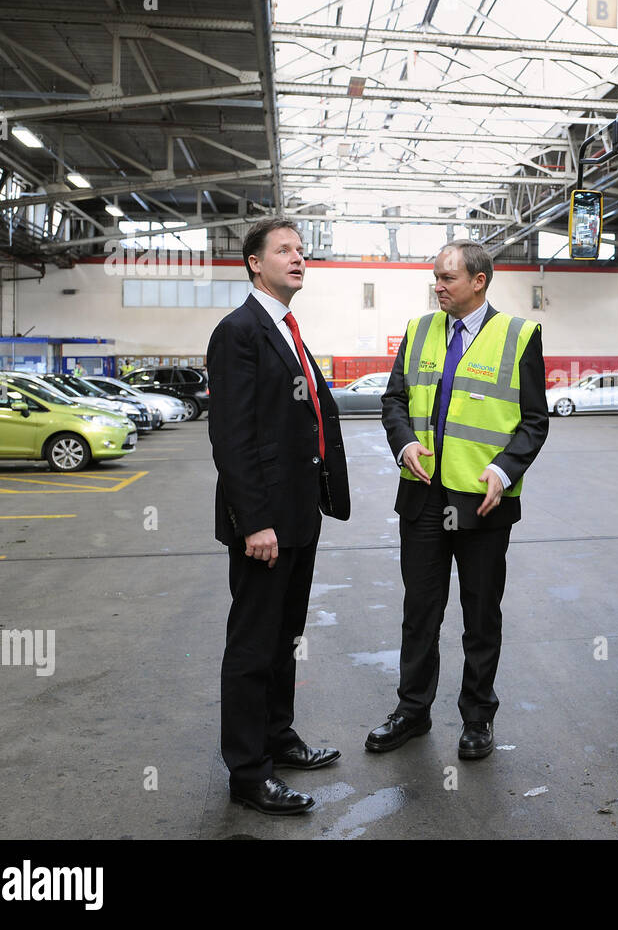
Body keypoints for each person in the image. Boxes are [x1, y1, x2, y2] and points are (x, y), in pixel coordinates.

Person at [369, 240, 548, 760]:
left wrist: (503, 468)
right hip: (423, 500)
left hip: (483, 505)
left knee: (480, 614)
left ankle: (477, 719)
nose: (438, 286)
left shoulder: (519, 336)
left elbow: (535, 420)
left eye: (448, 278)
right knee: (419, 610)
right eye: (435, 277)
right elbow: (394, 400)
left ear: (479, 281)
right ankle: (412, 711)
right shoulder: (420, 329)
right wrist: (403, 443)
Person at [207, 217, 351, 815]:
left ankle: (278, 736)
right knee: (252, 645)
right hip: (265, 523)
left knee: (285, 636)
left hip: (299, 516)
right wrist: (254, 520)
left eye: (302, 250)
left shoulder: (289, 330)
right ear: (254, 264)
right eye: (284, 250)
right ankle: (248, 773)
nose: (298, 258)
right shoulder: (238, 332)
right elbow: (232, 437)